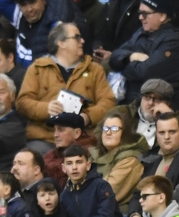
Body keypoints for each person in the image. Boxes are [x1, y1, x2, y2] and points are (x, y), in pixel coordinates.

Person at [16, 22, 115, 154]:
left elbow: (108, 103)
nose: (82, 41)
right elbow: (22, 103)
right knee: (31, 159)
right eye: (77, 37)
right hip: (45, 138)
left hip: (82, 139)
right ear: (61, 43)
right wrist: (46, 108)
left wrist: (87, 117)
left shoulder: (95, 70)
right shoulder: (37, 68)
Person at [108, 0, 179, 111]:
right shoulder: (142, 32)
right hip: (135, 100)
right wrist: (132, 57)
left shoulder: (177, 41)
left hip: (164, 105)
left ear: (162, 16)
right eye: (139, 13)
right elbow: (114, 57)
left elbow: (145, 73)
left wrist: (123, 64)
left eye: (145, 13)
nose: (140, 17)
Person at [94, 0, 179, 58]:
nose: (141, 17)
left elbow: (174, 49)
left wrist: (123, 58)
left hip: (163, 75)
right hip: (122, 61)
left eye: (145, 14)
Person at [0, 0, 90, 68]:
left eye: (33, 2)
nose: (29, 9)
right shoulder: (20, 17)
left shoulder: (55, 24)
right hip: (22, 78)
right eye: (24, 5)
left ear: (44, 0)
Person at [128, 112, 179, 217]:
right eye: (162, 132)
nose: (166, 137)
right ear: (156, 134)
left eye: (172, 132)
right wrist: (134, 215)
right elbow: (138, 193)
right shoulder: (150, 159)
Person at [52, 144, 123, 217]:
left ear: (88, 165)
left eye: (79, 162)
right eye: (69, 163)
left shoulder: (101, 186)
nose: (74, 167)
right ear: (64, 168)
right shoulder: (64, 195)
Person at [90, 110, 149, 213]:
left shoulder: (130, 160)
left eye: (114, 129)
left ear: (125, 133)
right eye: (105, 128)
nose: (108, 132)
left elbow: (105, 194)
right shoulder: (93, 156)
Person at [43, 112, 96, 188]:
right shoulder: (52, 155)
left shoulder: (88, 151)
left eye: (61, 130)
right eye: (54, 130)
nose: (55, 135)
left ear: (77, 133)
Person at [11, 148, 45, 213]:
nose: (14, 168)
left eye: (21, 163)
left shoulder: (47, 191)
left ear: (36, 170)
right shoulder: (13, 191)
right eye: (14, 164)